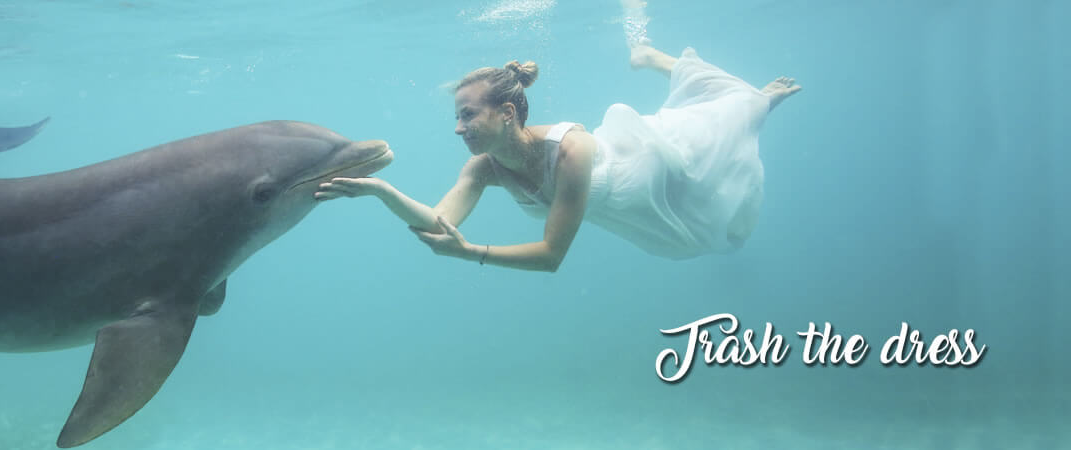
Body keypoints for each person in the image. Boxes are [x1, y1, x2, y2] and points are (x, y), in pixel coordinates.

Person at [313, 43, 801, 272]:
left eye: (467, 115)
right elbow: (438, 223)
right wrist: (381, 191)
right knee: (723, 235)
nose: (458, 128)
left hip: (648, 158)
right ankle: (738, 101)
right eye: (457, 118)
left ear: (507, 113)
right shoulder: (483, 169)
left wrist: (472, 253)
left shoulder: (572, 149)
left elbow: (551, 256)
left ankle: (742, 95)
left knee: (720, 129)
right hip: (632, 211)